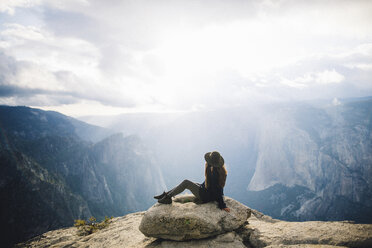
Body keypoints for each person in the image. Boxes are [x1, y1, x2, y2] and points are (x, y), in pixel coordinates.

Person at [154, 151, 231, 212]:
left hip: (206, 196)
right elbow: (213, 186)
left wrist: (223, 205)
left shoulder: (214, 172)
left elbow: (218, 190)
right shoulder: (219, 170)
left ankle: (167, 197)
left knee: (186, 182)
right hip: (206, 191)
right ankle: (166, 194)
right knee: (190, 183)